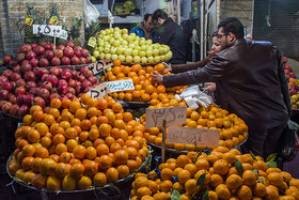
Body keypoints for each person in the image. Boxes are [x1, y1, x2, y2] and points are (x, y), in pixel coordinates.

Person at [152, 17, 290, 158]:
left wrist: (165, 79)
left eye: (220, 36)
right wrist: (288, 113)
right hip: (279, 114)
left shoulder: (227, 56)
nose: (217, 40)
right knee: (275, 159)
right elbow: (283, 83)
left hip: (255, 120)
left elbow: (198, 74)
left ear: (230, 36)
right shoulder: (269, 48)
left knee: (256, 163)